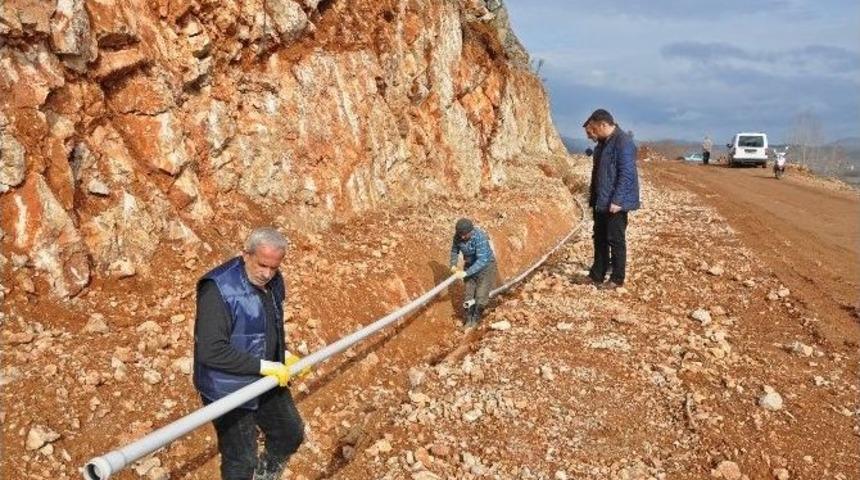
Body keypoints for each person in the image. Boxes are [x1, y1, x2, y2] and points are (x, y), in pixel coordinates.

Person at [193, 227, 308, 480]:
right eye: (262, 265)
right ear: (246, 254)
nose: (267, 274)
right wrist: (265, 367)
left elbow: (267, 324)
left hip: (263, 377)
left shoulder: (274, 281)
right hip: (227, 387)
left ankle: (265, 477)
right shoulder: (219, 288)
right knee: (241, 459)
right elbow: (210, 351)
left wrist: (281, 355)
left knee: (290, 432)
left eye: (274, 267)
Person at [581, 109, 640, 289]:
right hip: (601, 200)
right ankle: (597, 274)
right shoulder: (602, 144)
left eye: (593, 130)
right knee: (599, 237)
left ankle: (616, 278)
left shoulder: (623, 142)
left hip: (615, 203)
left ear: (603, 125)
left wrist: (618, 201)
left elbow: (627, 174)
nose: (592, 135)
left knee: (615, 239)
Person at [449, 218, 497, 327]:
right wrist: (453, 264)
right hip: (470, 265)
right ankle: (469, 319)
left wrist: (466, 273)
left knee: (480, 297)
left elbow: (482, 260)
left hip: (486, 267)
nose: (462, 237)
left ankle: (476, 318)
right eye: (460, 235)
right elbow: (454, 251)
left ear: (471, 231)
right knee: (468, 296)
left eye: (465, 235)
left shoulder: (480, 237)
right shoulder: (458, 236)